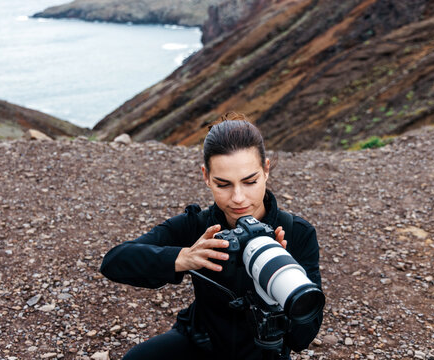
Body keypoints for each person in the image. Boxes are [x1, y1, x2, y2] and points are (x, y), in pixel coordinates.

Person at [100, 113, 323, 360]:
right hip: (200, 342)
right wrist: (183, 258)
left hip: (262, 352)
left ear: (266, 170)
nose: (238, 197)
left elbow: (302, 338)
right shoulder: (198, 226)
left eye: (250, 181)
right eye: (223, 184)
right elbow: (113, 262)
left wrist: (275, 290)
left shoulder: (296, 233)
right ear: (206, 176)